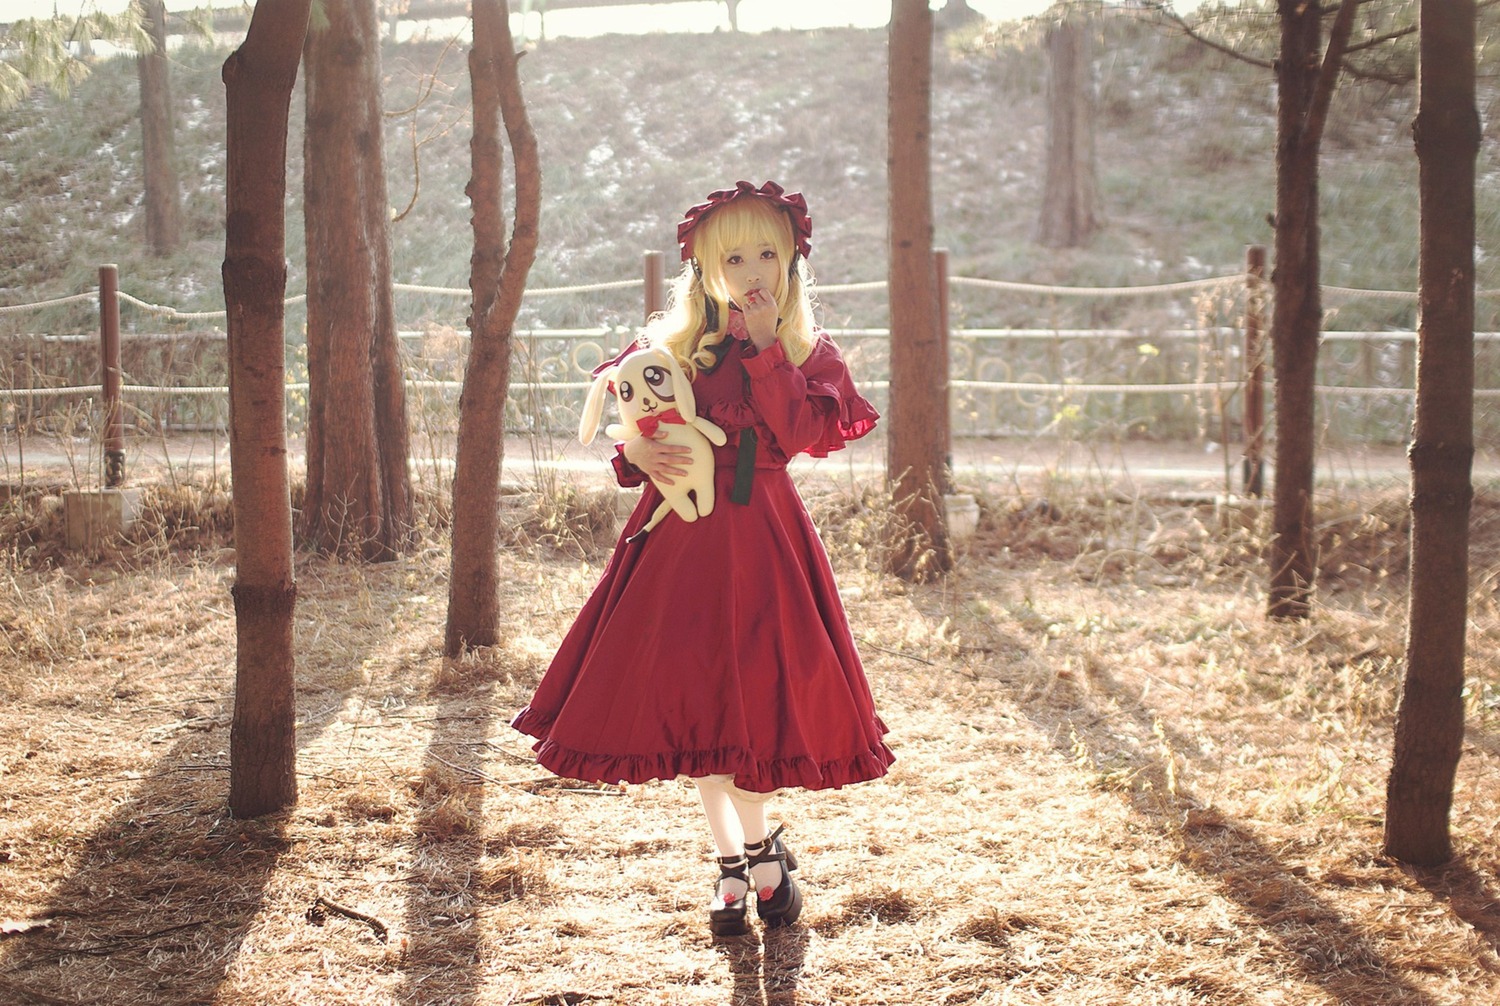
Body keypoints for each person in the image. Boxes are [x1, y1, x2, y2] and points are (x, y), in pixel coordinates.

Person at [512, 180, 893, 937]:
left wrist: (762, 350)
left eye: (768, 255)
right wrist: (643, 454)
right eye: (734, 257)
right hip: (678, 544)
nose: (753, 270)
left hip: (764, 544)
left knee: (753, 710)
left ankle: (754, 859)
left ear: (791, 263)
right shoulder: (672, 350)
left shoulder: (806, 353)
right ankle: (745, 859)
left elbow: (799, 439)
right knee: (698, 711)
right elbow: (630, 432)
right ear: (705, 268)